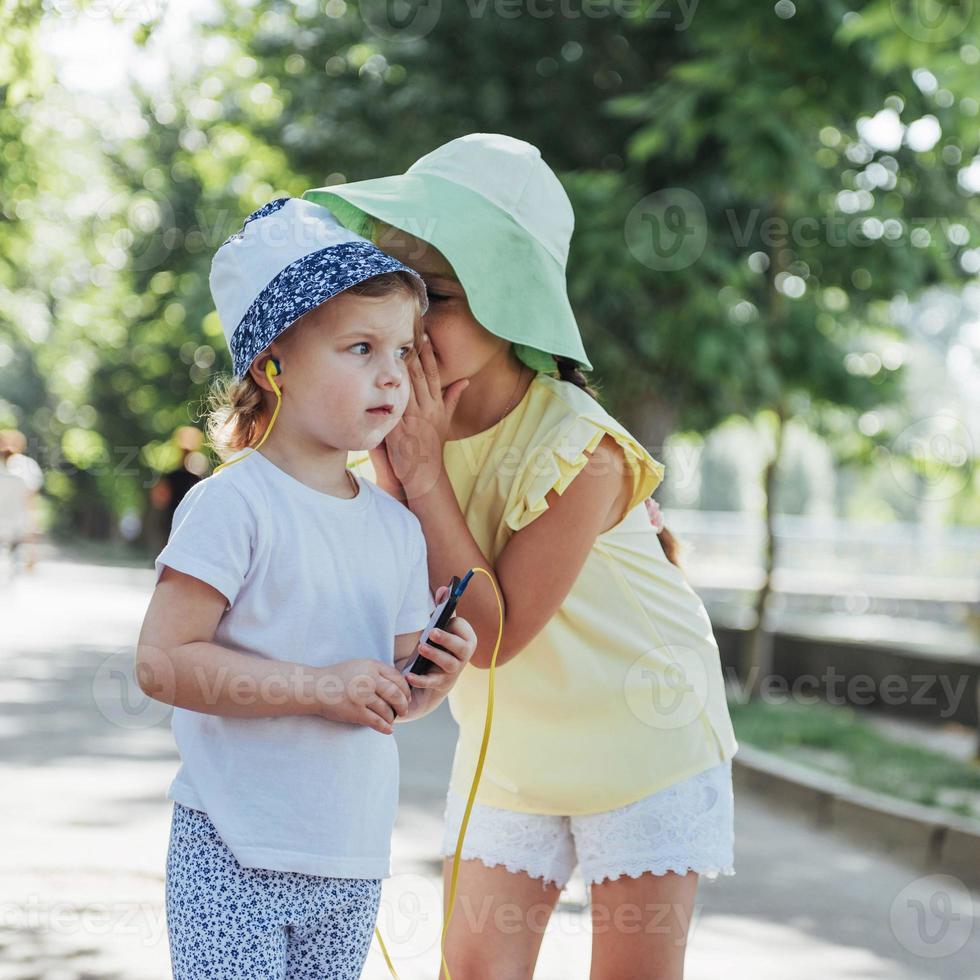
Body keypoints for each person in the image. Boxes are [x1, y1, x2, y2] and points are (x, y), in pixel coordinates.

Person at [304, 133, 739, 980]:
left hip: (646, 746)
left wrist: (420, 473)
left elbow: (496, 634)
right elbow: (409, 604)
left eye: (438, 296)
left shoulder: (585, 451)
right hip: (512, 753)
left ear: (510, 303)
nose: (410, 324)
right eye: (395, 294)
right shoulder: (390, 430)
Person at [135, 197, 478, 980]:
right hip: (233, 848)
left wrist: (427, 679)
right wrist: (318, 687)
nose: (392, 374)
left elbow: (386, 688)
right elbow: (161, 663)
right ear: (272, 364)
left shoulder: (395, 527)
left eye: (402, 350)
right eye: (361, 347)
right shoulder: (234, 503)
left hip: (350, 857)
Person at [148, 426, 207, 541]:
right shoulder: (200, 478)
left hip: (176, 525)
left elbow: (158, 500)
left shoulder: (171, 476)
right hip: (180, 525)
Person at [0, 429, 43, 572]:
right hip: (16, 523)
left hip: (14, 522)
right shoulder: (28, 466)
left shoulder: (27, 466)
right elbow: (31, 501)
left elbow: (30, 501)